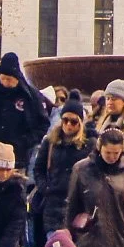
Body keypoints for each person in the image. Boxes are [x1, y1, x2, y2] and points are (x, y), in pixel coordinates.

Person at [33, 90, 94, 238]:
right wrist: (45, 187)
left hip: (79, 202)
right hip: (53, 202)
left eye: (73, 122)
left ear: (80, 122)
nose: (68, 125)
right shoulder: (50, 141)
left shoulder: (89, 144)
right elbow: (38, 168)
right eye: (65, 120)